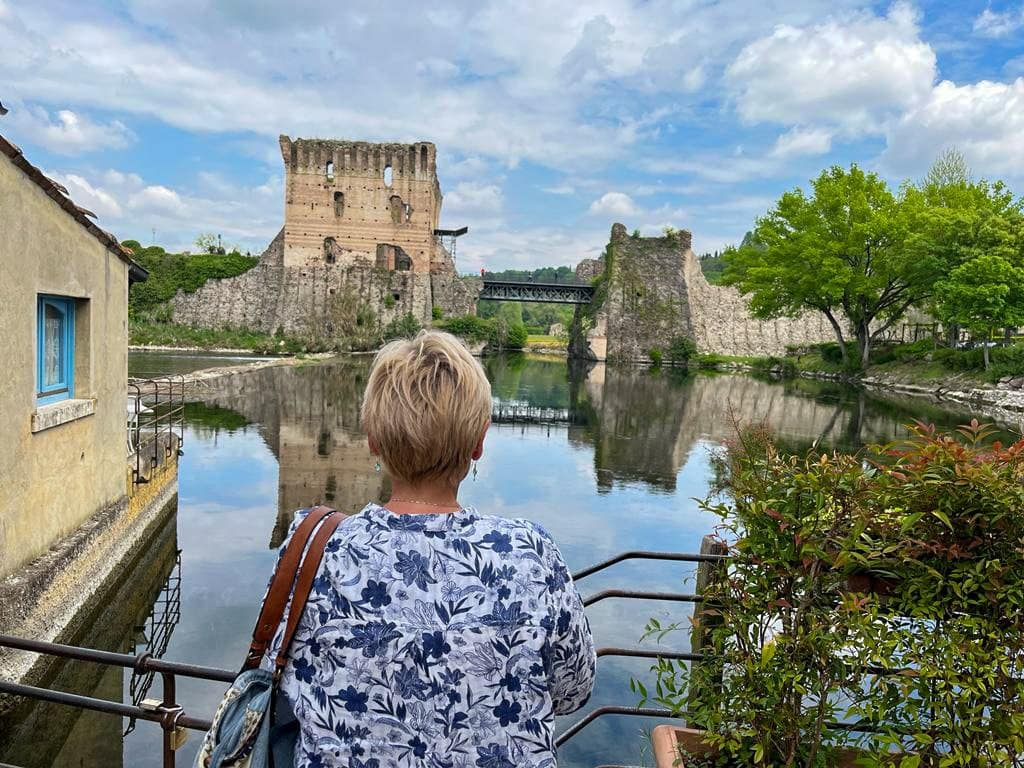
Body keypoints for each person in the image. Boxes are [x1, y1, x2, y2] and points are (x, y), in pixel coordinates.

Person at [264, 330, 596, 767]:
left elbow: (275, 673)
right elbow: (574, 688)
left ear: (372, 439)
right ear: (479, 441)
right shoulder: (529, 554)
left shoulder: (313, 548)